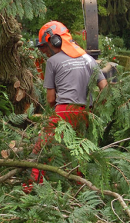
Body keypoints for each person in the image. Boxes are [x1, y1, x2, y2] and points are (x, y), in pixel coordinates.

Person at [27, 21, 107, 189]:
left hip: (64, 110)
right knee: (77, 151)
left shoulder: (53, 62)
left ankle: (32, 187)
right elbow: (105, 89)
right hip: (87, 112)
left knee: (41, 150)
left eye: (44, 47)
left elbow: (50, 99)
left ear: (54, 41)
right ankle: (79, 189)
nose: (44, 52)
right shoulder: (89, 58)